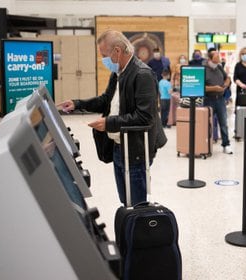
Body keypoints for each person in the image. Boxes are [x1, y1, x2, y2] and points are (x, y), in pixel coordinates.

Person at [57, 30, 167, 206]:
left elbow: (144, 117)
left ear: (117, 51)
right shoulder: (118, 73)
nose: (103, 60)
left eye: (104, 55)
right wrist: (77, 104)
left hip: (136, 150)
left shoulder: (142, 74)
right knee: (125, 200)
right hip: (118, 146)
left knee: (136, 204)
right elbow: (105, 101)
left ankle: (136, 232)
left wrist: (109, 123)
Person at [204, 48, 233, 154]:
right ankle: (205, 144)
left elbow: (228, 78)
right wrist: (214, 88)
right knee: (207, 123)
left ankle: (226, 144)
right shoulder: (203, 70)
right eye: (216, 57)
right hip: (208, 100)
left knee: (223, 123)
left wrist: (225, 85)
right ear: (210, 59)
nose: (219, 59)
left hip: (220, 100)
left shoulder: (220, 68)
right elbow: (200, 87)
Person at [168, 54, 187, 126]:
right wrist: (171, 87)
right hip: (177, 86)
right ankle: (175, 120)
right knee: (175, 105)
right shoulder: (176, 66)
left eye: (184, 58)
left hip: (186, 86)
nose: (182, 59)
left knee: (184, 103)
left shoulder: (187, 66)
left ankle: (184, 119)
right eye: (181, 58)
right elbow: (172, 77)